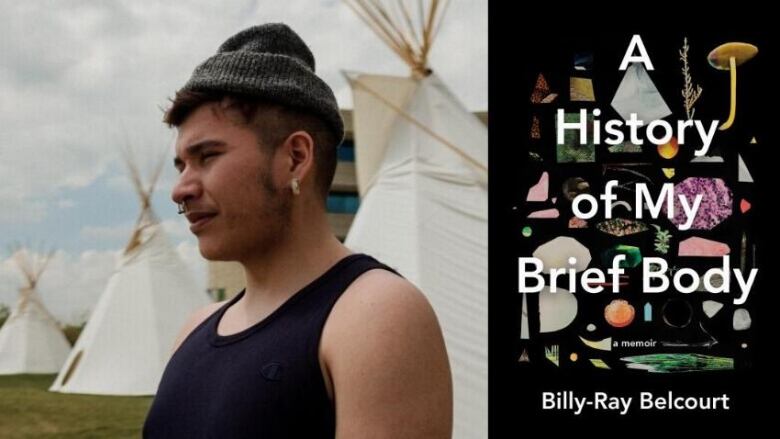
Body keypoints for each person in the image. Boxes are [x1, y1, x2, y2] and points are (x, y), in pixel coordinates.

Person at [142, 23, 452, 438]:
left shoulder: (373, 315)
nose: (181, 189)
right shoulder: (195, 329)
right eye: (181, 165)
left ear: (295, 157)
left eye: (208, 156)